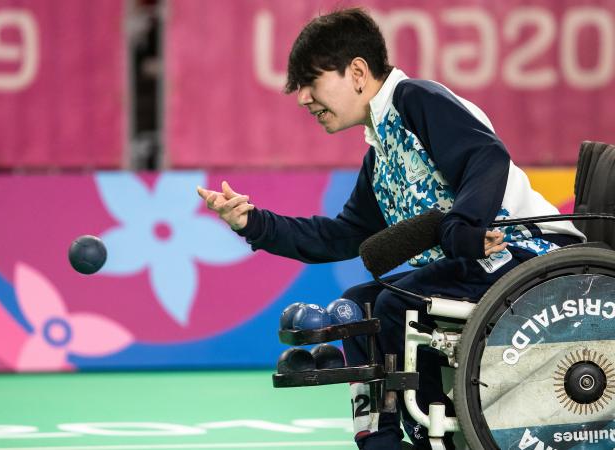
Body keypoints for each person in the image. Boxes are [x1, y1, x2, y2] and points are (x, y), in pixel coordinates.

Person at [196, 7, 584, 450]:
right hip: (473, 266)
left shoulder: (417, 99)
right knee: (357, 311)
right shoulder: (380, 154)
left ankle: (435, 442)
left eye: (311, 82)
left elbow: (486, 158)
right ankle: (379, 443)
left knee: (394, 304)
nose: (302, 98)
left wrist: (461, 226)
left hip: (525, 254)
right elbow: (339, 236)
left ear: (357, 72)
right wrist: (253, 223)